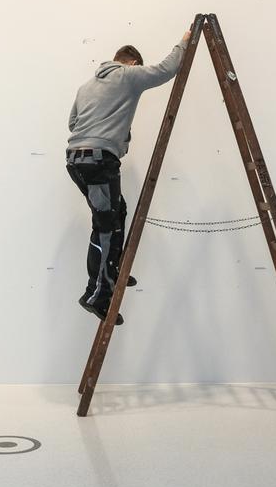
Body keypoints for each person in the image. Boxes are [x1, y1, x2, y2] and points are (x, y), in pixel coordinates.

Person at [66, 29, 191, 326]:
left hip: (78, 160)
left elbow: (73, 123)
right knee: (105, 226)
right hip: (98, 162)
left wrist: (114, 132)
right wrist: (184, 40)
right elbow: (166, 69)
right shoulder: (128, 75)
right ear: (133, 62)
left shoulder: (86, 86)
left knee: (116, 211)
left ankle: (114, 267)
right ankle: (96, 294)